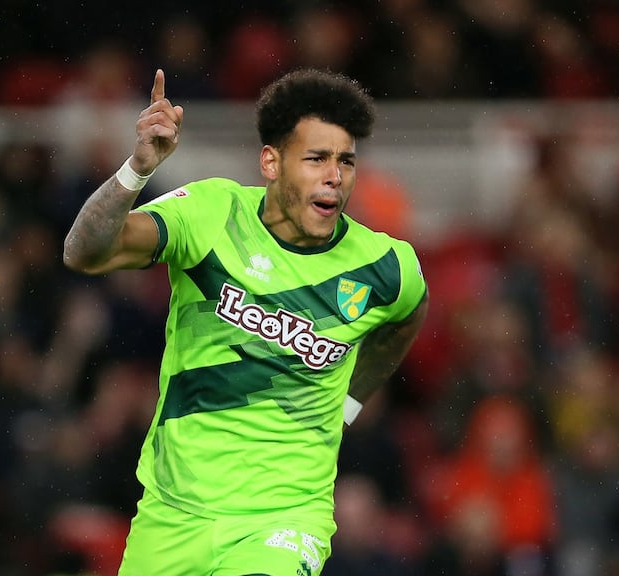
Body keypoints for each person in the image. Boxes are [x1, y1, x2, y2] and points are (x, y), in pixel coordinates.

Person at [63, 68, 429, 575]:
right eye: (316, 158)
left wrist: (349, 402)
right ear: (271, 162)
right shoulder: (212, 212)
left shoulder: (386, 267)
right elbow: (83, 252)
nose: (335, 176)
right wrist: (137, 170)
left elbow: (407, 317)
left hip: (284, 521)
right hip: (173, 512)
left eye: (346, 161)